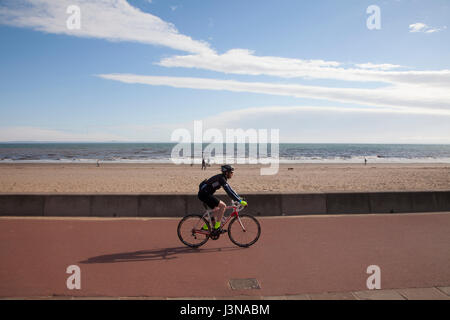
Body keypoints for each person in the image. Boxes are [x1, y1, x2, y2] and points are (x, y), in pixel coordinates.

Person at [198, 165, 247, 230]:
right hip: (204, 194)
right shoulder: (221, 179)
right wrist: (239, 201)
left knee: (217, 209)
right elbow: (229, 192)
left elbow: (231, 189)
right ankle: (217, 227)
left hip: (204, 194)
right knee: (223, 206)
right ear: (227, 173)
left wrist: (239, 198)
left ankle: (205, 227)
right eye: (231, 172)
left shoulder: (222, 178)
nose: (232, 174)